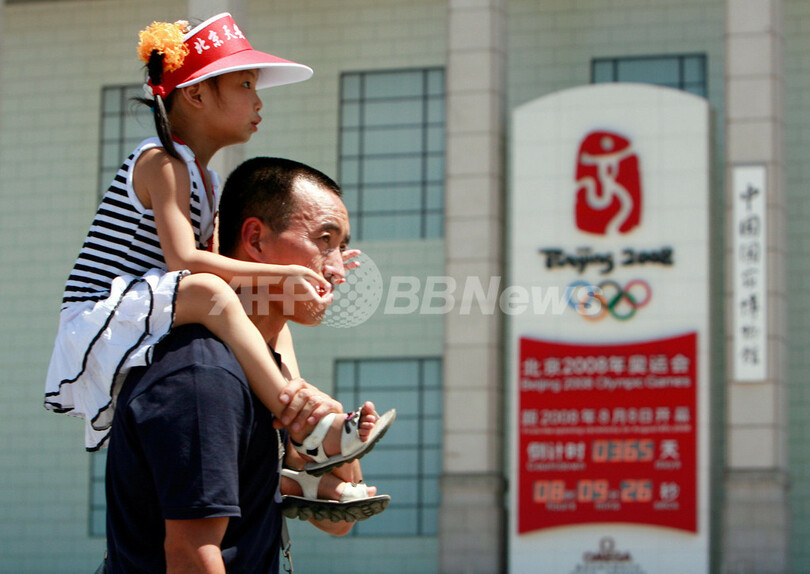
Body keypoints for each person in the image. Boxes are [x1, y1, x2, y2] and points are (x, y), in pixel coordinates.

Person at [42, 13, 394, 473]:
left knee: (268, 308)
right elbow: (184, 261)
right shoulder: (161, 162)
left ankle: (298, 445)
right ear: (196, 94)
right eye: (245, 85)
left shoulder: (205, 178)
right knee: (213, 292)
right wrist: (287, 271)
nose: (258, 101)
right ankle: (303, 425)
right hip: (101, 310)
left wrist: (316, 263)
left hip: (154, 300)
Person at [104, 156, 383, 573]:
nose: (339, 270)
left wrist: (331, 431)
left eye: (343, 248)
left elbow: (336, 520)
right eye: (325, 240)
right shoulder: (203, 373)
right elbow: (191, 555)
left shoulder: (267, 367)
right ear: (254, 239)